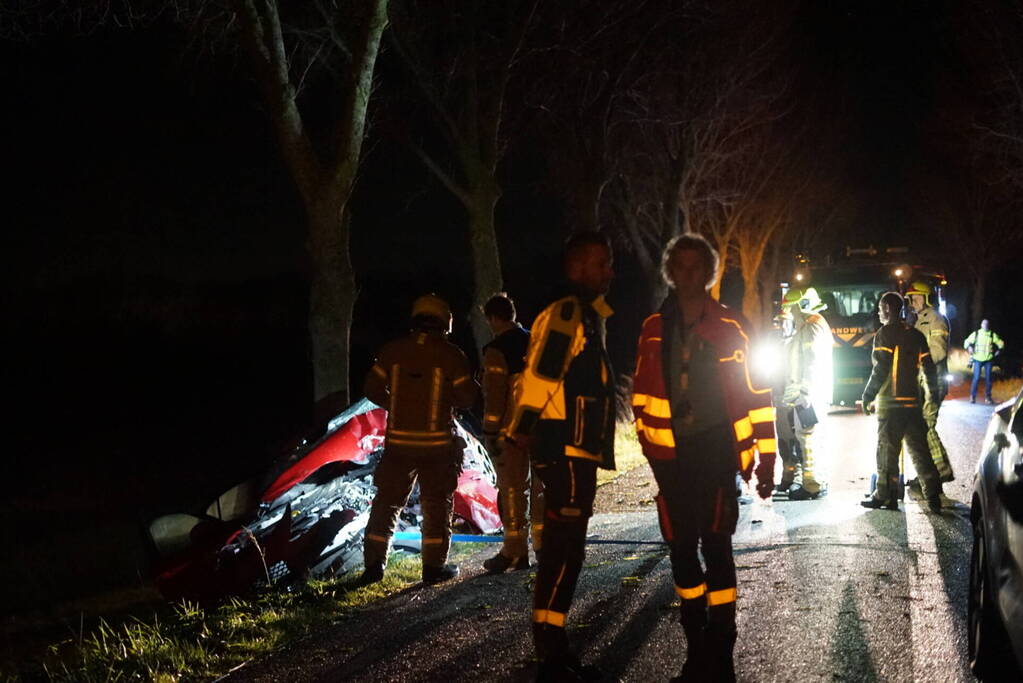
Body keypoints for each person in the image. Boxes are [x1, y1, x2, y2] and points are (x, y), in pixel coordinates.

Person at [632, 233, 777, 682]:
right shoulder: (653, 328)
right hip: (669, 459)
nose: (689, 274)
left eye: (698, 267)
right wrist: (649, 446)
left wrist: (766, 460)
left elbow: (758, 395)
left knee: (716, 546)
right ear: (670, 271)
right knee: (680, 547)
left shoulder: (732, 327)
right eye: (681, 265)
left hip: (716, 451)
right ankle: (696, 645)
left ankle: (722, 647)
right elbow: (641, 395)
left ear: (710, 273)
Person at [504, 231, 616, 681]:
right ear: (579, 267)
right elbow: (542, 375)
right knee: (561, 550)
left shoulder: (584, 315)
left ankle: (556, 647)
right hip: (566, 447)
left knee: (569, 550)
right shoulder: (568, 314)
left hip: (576, 448)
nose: (610, 272)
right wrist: (522, 432)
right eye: (603, 264)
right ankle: (550, 655)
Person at [360, 294, 478, 585]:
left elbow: (371, 388)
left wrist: (398, 404)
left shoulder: (392, 352)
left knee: (386, 503)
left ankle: (374, 566)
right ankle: (433, 568)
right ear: (444, 323)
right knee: (436, 505)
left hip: (399, 446)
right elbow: (467, 398)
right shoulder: (451, 355)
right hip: (437, 448)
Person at [861, 292, 942, 513]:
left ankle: (885, 495)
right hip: (913, 405)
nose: (878, 312)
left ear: (888, 307)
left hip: (890, 405)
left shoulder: (884, 334)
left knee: (887, 452)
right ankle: (933, 496)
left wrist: (867, 395)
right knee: (920, 452)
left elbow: (881, 369)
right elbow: (929, 369)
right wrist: (931, 395)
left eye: (880, 307)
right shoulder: (916, 335)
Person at [479, 293, 542, 573]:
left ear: (493, 318)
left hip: (511, 431)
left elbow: (495, 396)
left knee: (514, 490)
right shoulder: (536, 340)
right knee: (542, 489)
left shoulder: (495, 349)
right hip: (542, 428)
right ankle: (544, 546)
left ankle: (515, 553)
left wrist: (490, 431)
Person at [777, 287, 834, 501]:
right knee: (811, 437)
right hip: (810, 392)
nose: (790, 312)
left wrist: (805, 390)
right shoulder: (811, 326)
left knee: (807, 436)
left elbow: (812, 361)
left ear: (801, 306)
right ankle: (817, 482)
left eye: (791, 307)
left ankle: (812, 485)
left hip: (809, 393)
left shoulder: (811, 328)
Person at [905, 281, 954, 491]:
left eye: (915, 298)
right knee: (922, 427)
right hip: (923, 381)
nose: (911, 302)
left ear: (926, 298)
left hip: (933, 382)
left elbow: (938, 351)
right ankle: (931, 473)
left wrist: (915, 363)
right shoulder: (918, 320)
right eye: (910, 298)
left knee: (926, 426)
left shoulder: (935, 319)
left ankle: (938, 473)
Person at [965, 319, 1005, 405]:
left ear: (988, 325)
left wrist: (1000, 350)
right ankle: (972, 396)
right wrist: (969, 347)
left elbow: (1001, 343)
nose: (985, 325)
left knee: (988, 379)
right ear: (981, 325)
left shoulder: (991, 334)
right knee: (976, 378)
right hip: (977, 359)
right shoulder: (976, 334)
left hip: (988, 360)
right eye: (984, 324)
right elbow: (966, 341)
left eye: (987, 324)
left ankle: (988, 398)